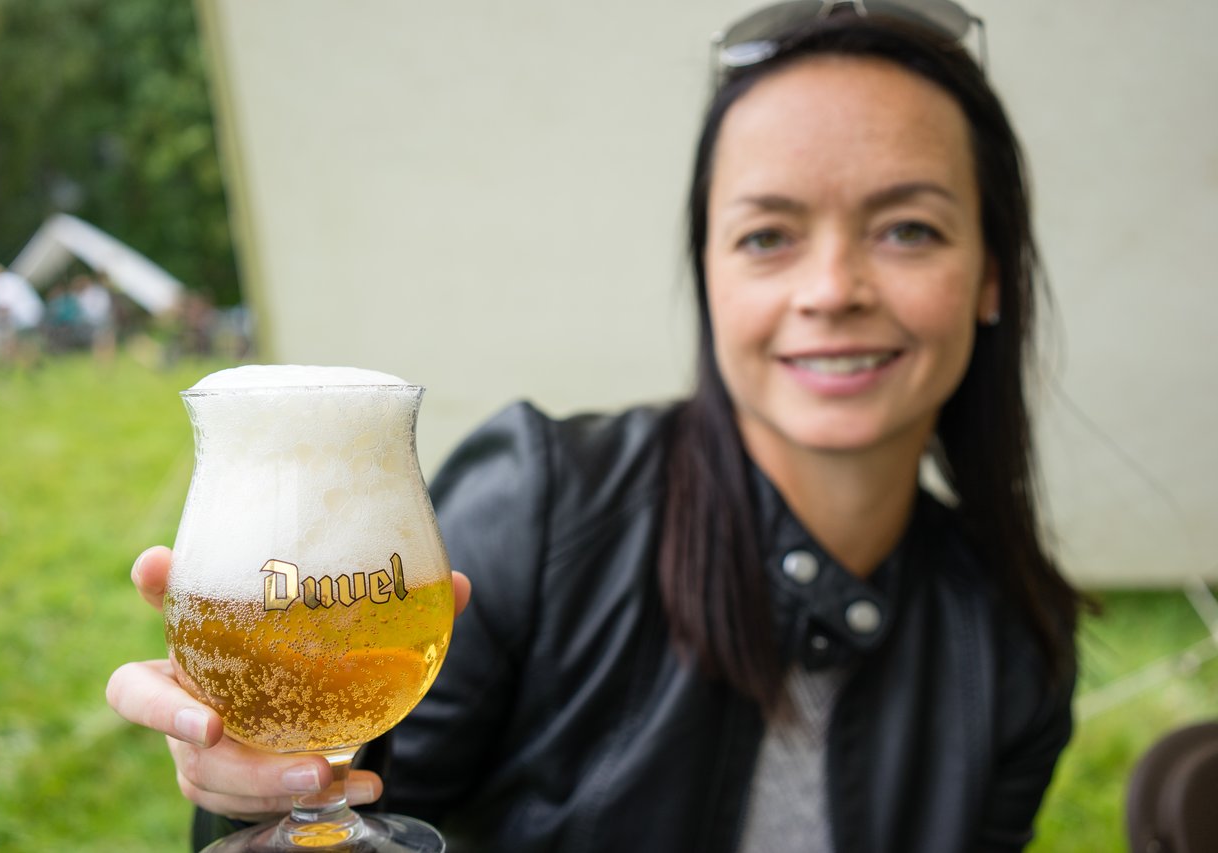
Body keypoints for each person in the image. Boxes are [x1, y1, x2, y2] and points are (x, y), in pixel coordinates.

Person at [106, 4, 1086, 851]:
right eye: (765, 235)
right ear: (707, 275)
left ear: (990, 274)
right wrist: (254, 786)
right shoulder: (540, 506)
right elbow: (330, 818)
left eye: (906, 227)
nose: (831, 290)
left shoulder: (1011, 646)